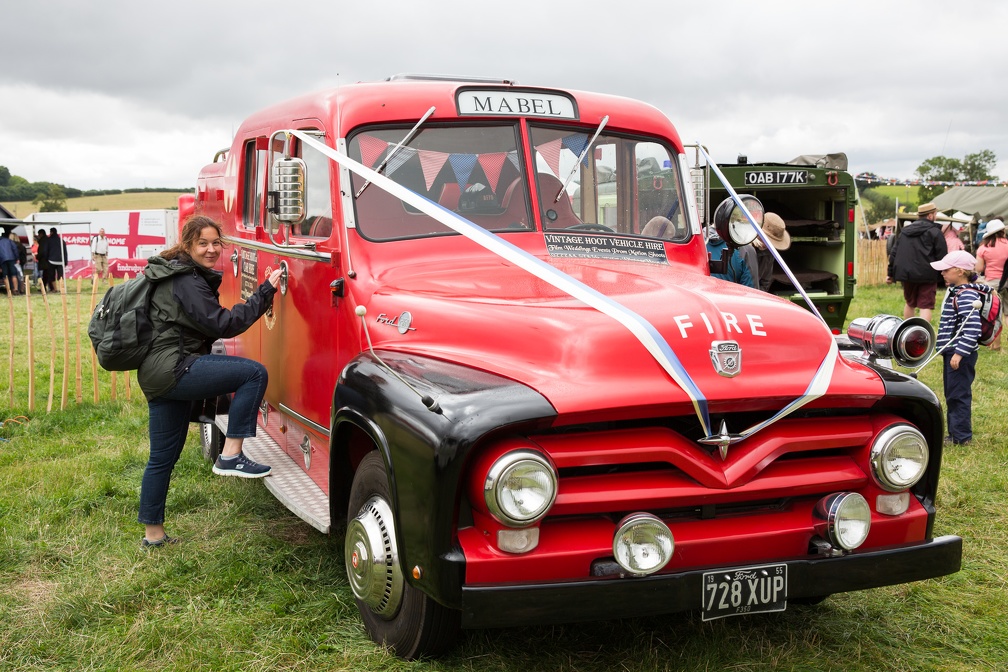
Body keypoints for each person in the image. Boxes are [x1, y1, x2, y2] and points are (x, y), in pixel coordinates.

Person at [137, 215, 282, 548]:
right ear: (188, 244)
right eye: (203, 243)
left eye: (217, 242)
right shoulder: (185, 279)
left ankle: (153, 537)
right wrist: (265, 292)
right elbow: (223, 325)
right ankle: (231, 455)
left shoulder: (174, 271)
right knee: (253, 372)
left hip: (156, 373)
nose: (212, 249)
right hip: (174, 369)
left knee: (162, 457)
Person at [930, 250, 984, 445]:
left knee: (958, 394)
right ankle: (955, 434)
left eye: (946, 270)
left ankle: (961, 437)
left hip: (960, 354)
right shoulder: (958, 292)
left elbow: (972, 328)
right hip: (952, 351)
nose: (942, 273)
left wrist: (959, 354)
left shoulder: (967, 296)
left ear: (960, 271)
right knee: (952, 393)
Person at [886, 202, 948, 322]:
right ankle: (922, 335)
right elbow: (942, 255)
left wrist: (890, 273)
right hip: (928, 274)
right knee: (925, 305)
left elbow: (894, 252)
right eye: (935, 214)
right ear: (930, 216)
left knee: (910, 303)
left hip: (907, 274)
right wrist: (945, 274)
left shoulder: (905, 231)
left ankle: (908, 331)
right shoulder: (935, 232)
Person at [975, 218, 1007, 350]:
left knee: (994, 314)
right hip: (1007, 281)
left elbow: (979, 268)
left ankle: (995, 344)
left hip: (992, 283)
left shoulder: (984, 248)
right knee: (1007, 312)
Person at [753, 212, 791, 292]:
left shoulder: (769, 253)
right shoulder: (740, 247)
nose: (767, 245)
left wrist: (756, 296)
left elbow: (765, 282)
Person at [46, 227, 68, 292]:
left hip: (51, 261)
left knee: (52, 275)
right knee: (60, 276)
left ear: (51, 232)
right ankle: (61, 289)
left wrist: (46, 259)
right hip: (60, 261)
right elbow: (65, 252)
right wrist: (65, 261)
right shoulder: (61, 240)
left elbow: (46, 250)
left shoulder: (49, 240)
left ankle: (55, 289)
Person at [0, 229, 20, 294]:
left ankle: (8, 290)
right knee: (14, 274)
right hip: (12, 259)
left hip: (2, 260)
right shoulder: (10, 241)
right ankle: (16, 289)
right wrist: (17, 258)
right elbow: (15, 249)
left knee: (5, 276)